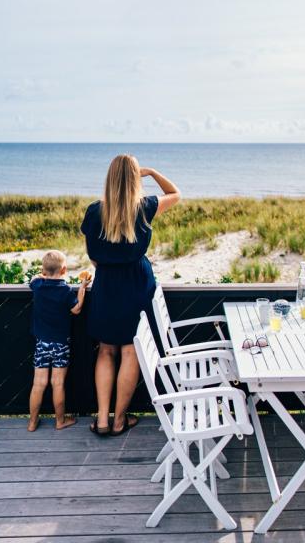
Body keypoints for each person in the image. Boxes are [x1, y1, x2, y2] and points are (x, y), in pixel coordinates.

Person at [81, 155, 180, 436]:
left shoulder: (94, 212)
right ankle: (120, 419)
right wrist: (151, 172)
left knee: (105, 351)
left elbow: (93, 257)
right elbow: (175, 193)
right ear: (134, 179)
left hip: (106, 287)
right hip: (136, 285)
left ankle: (102, 419)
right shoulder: (144, 208)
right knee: (130, 352)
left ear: (110, 179)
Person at [27, 250, 91, 432]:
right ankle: (60, 421)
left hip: (42, 343)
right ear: (64, 270)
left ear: (43, 270)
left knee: (38, 383)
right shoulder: (65, 291)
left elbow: (32, 280)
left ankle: (32, 422)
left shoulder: (38, 285)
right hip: (60, 343)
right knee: (58, 383)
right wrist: (82, 288)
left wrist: (41, 275)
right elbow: (77, 309)